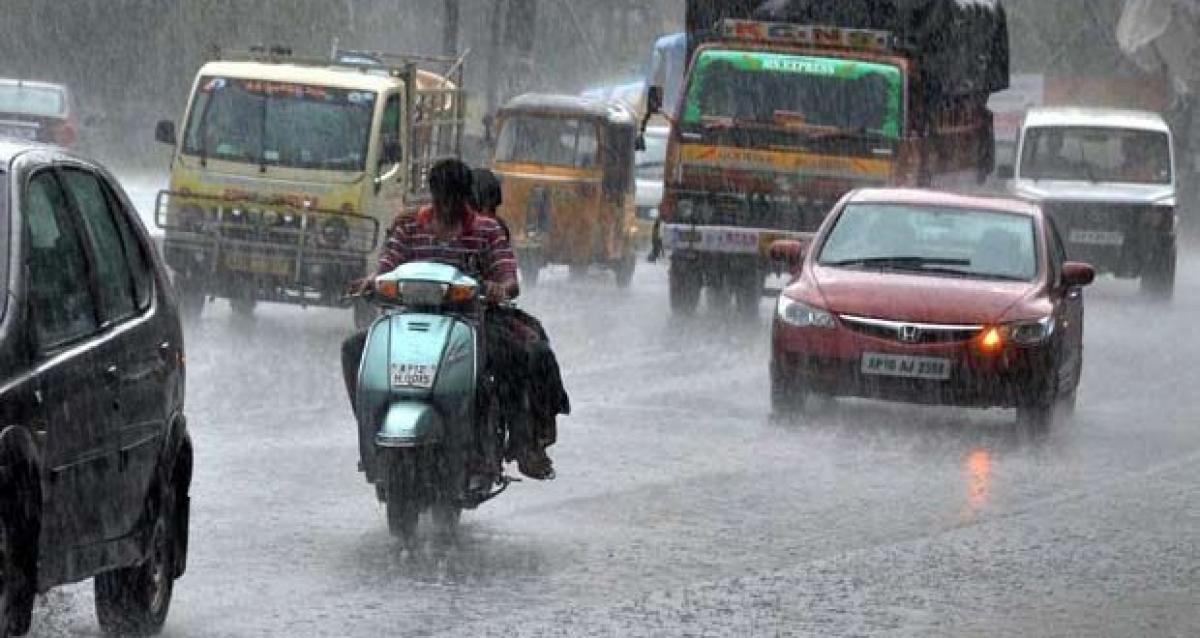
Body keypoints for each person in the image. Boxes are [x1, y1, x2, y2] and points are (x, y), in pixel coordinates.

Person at [341, 159, 564, 479]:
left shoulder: (486, 231)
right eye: (440, 197)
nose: (445, 207)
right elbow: (388, 266)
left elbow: (507, 275)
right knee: (353, 350)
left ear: (464, 197)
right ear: (432, 194)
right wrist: (371, 281)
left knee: (512, 359)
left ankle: (520, 442)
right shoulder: (409, 226)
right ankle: (370, 431)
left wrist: (501, 287)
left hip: (470, 323)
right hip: (410, 320)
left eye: (453, 199)